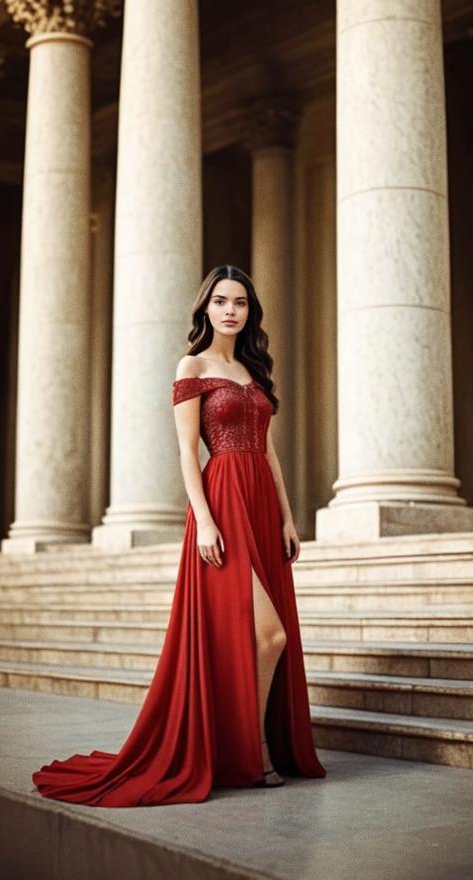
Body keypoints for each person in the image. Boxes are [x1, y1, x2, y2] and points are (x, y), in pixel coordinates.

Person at [31, 264, 327, 805]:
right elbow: (188, 451)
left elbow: (270, 451)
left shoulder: (254, 373)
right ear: (205, 308)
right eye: (221, 301)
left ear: (249, 311)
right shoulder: (192, 365)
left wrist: (287, 516)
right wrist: (206, 520)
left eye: (239, 302)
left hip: (260, 500)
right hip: (223, 500)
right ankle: (253, 748)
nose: (231, 310)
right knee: (271, 635)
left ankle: (250, 740)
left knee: (266, 635)